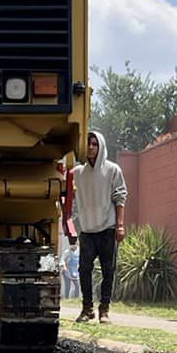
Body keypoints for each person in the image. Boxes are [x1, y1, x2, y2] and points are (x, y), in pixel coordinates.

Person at [63, 128, 127, 323]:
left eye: (94, 144)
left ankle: (104, 310)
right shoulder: (77, 173)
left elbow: (120, 197)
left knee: (108, 270)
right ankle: (87, 308)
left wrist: (120, 226)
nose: (91, 148)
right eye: (88, 144)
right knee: (84, 270)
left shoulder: (112, 170)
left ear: (101, 146)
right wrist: (73, 224)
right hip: (87, 230)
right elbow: (68, 198)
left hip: (107, 229)